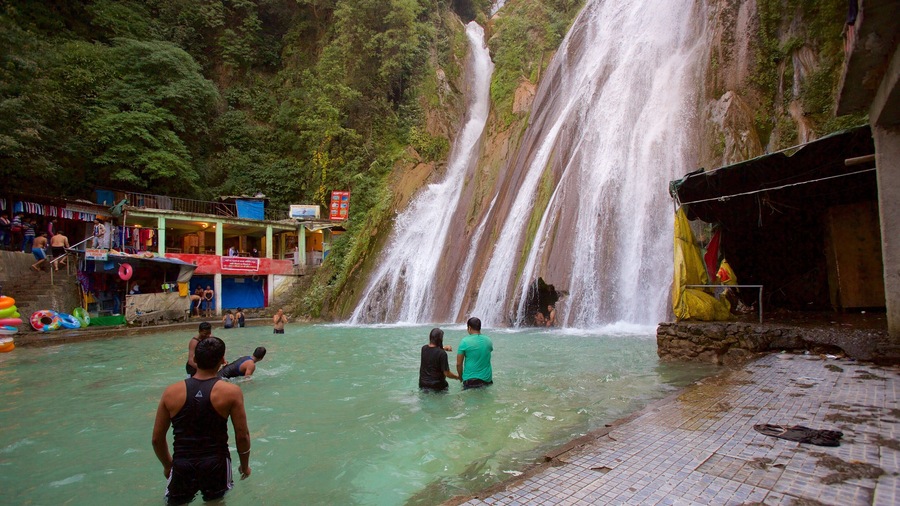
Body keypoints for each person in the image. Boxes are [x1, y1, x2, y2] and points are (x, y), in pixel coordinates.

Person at [152, 337, 251, 504]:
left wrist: (168, 465)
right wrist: (244, 465)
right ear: (222, 361)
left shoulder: (171, 392)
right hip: (216, 464)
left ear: (195, 360)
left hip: (182, 463)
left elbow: (156, 439)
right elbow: (242, 435)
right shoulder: (231, 392)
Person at [456, 317, 493, 390]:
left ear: (469, 328)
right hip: (486, 379)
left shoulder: (464, 342)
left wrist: (460, 377)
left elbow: (459, 364)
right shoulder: (488, 341)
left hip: (470, 380)